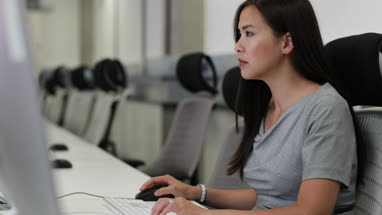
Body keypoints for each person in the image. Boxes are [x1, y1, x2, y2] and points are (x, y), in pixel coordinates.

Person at [140, 0, 361, 214]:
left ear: (286, 43)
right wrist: (196, 193)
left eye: (249, 33)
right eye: (239, 34)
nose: (237, 46)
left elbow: (312, 211)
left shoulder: (326, 109)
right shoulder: (269, 106)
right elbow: (267, 197)